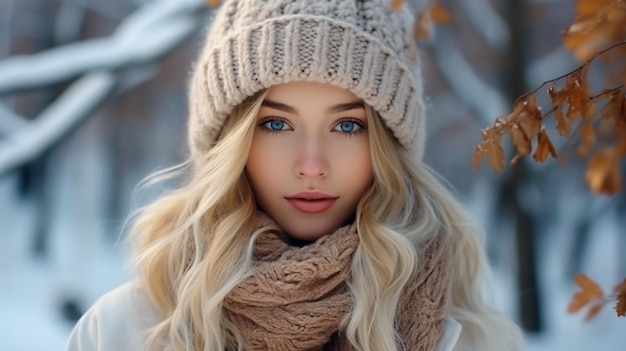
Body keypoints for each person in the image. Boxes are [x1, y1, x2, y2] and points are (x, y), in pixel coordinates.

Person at [65, 0, 525, 350]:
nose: (311, 164)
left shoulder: (471, 341)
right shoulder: (124, 329)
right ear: (231, 142)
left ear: (388, 147)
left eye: (347, 125)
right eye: (275, 124)